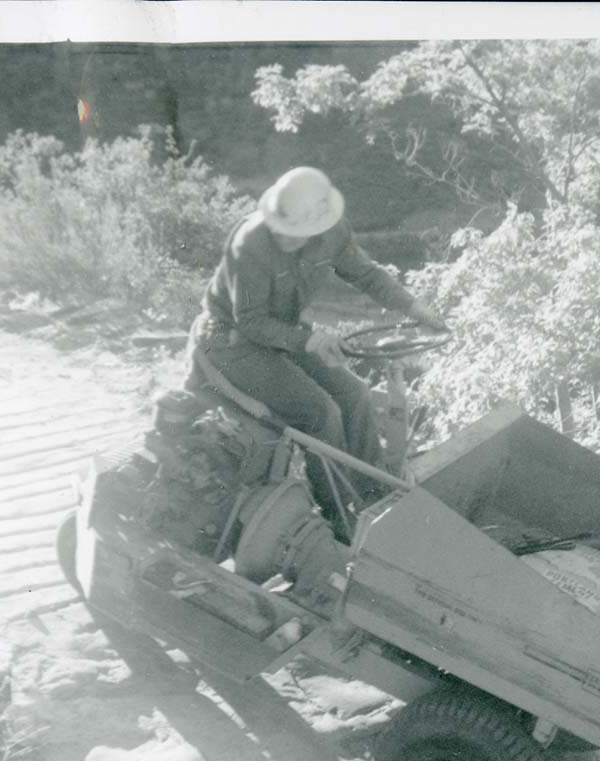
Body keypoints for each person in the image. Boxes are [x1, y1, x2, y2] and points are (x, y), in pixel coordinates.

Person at [184, 165, 445, 519]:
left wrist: (415, 307)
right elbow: (251, 321)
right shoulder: (251, 243)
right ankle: (340, 518)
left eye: (294, 231)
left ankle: (375, 500)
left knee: (356, 395)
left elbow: (366, 274)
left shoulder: (333, 232)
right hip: (231, 342)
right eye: (279, 225)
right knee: (322, 414)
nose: (282, 235)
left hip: (283, 333)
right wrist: (308, 341)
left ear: (317, 226)